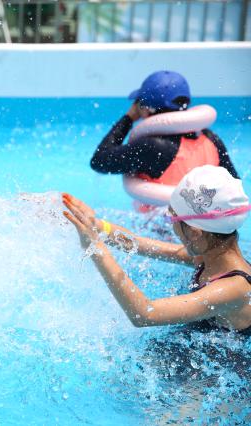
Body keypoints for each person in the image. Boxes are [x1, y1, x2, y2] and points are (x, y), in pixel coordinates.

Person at [63, 165, 251, 333]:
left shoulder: (233, 287)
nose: (171, 226)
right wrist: (95, 225)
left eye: (172, 219)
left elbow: (144, 314)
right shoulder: (210, 255)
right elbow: (135, 243)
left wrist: (95, 248)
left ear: (195, 232)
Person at [90, 71, 238, 209]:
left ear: (146, 108)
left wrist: (128, 118)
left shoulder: (151, 147)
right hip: (205, 226)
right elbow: (234, 185)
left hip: (160, 227)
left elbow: (99, 161)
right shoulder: (211, 139)